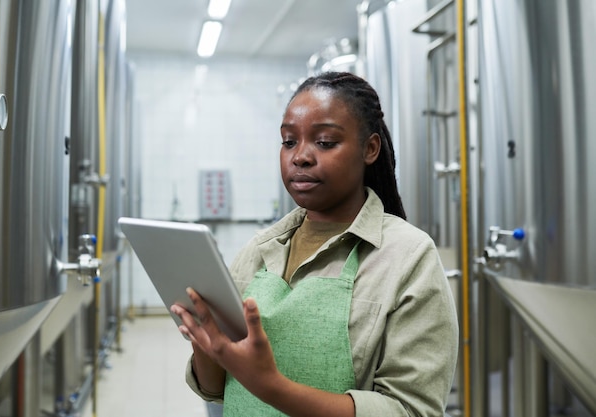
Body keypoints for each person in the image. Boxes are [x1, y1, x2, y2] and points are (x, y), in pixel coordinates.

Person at [171, 71, 459, 416]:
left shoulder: (408, 257)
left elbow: (411, 411)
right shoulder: (261, 249)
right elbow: (217, 387)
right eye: (289, 141)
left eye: (324, 142)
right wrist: (208, 344)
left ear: (369, 149)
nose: (300, 157)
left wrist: (272, 387)